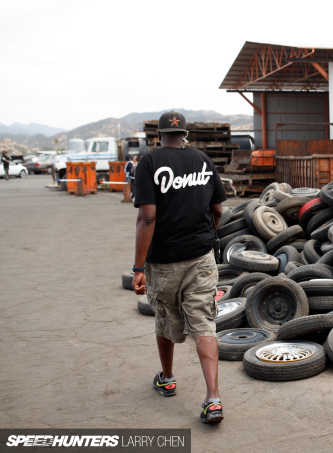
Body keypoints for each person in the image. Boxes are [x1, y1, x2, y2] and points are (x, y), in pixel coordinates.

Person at [132, 111, 227, 424]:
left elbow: (147, 217)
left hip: (164, 260)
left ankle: (168, 377)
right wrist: (208, 236)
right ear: (185, 133)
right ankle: (213, 398)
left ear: (158, 135)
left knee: (165, 317)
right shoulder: (202, 159)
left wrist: (138, 267)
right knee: (204, 323)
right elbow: (217, 209)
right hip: (201, 257)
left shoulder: (148, 163)